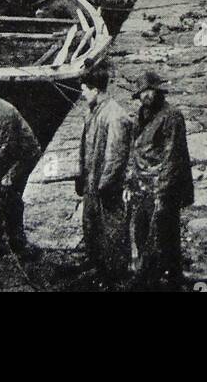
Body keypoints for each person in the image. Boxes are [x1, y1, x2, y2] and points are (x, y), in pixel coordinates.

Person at [125, 70, 193, 290]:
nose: (146, 95)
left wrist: (161, 193)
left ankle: (164, 279)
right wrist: (130, 181)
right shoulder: (140, 116)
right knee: (144, 233)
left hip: (163, 187)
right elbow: (132, 150)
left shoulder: (172, 117)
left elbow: (173, 157)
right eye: (142, 92)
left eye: (150, 90)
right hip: (142, 185)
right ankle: (159, 276)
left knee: (165, 233)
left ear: (158, 91)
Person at [76, 65, 134, 284]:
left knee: (112, 229)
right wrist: (81, 177)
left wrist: (104, 185)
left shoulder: (115, 116)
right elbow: (85, 147)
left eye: (84, 89)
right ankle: (98, 267)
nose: (82, 94)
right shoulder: (93, 112)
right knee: (91, 226)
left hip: (105, 186)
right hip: (92, 183)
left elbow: (116, 157)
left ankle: (116, 273)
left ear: (95, 89)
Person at [0, 94, 42, 255]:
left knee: (10, 194)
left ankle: (18, 243)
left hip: (22, 156)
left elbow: (4, 147)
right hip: (3, 155)